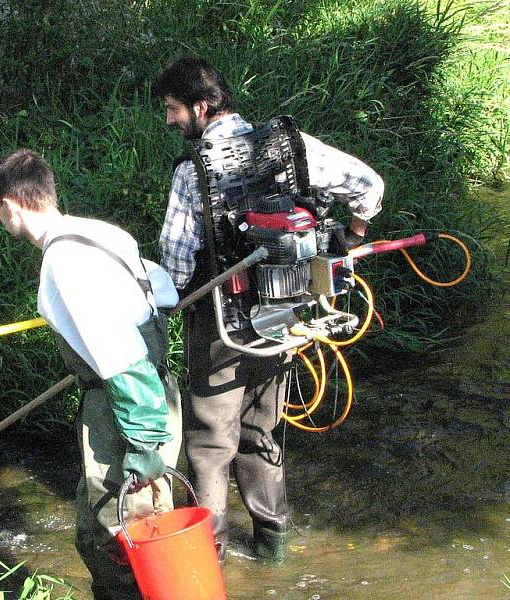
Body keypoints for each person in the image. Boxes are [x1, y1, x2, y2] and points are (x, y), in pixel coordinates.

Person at [152, 56, 384, 563]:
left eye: (172, 110)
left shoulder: (193, 173)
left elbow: (172, 269)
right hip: (285, 315)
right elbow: (368, 186)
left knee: (212, 442)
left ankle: (206, 562)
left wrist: (154, 306)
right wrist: (350, 239)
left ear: (201, 106)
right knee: (263, 428)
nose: (170, 121)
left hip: (219, 322)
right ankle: (273, 548)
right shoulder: (289, 148)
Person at [0, 149, 182, 599]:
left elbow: (121, 357)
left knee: (123, 539)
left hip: (127, 407)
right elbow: (164, 292)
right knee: (103, 527)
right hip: (159, 391)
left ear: (10, 206)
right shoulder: (100, 233)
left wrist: (144, 441)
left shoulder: (63, 262)